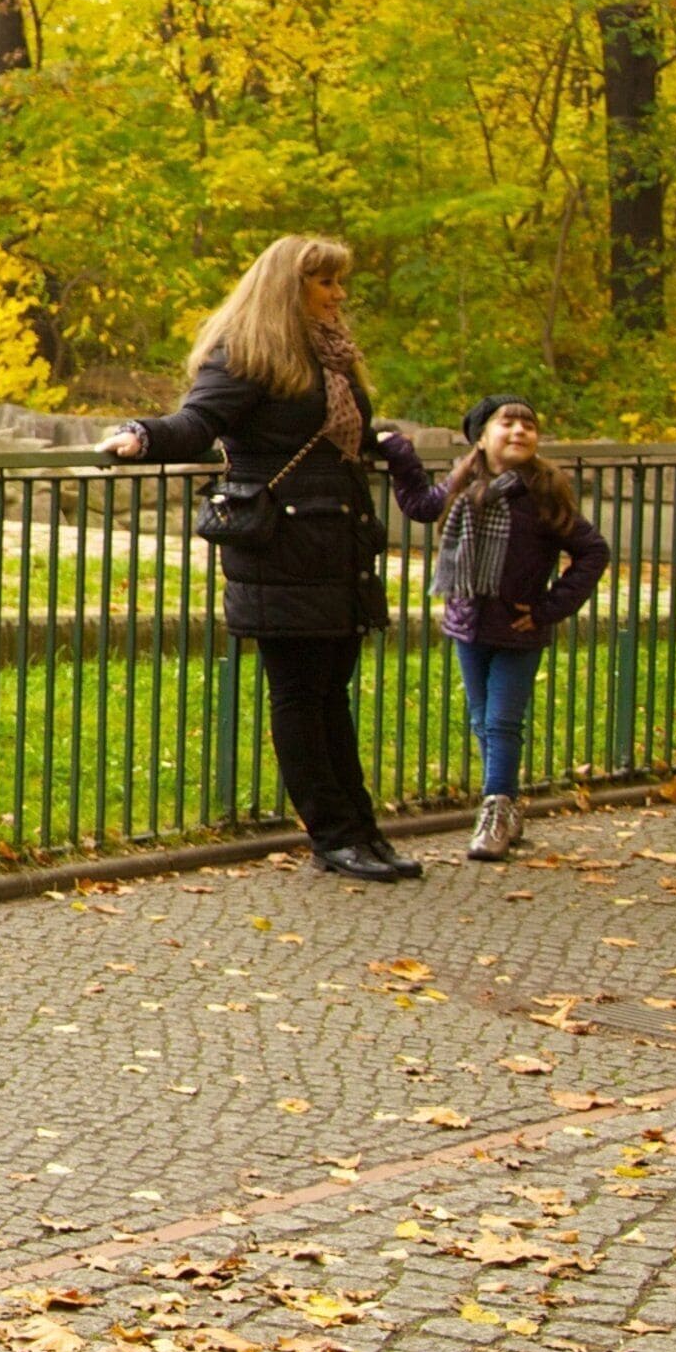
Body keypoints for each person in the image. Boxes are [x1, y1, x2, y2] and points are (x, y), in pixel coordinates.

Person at [99, 235, 435, 882]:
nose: (339, 295)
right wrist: (141, 435)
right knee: (300, 695)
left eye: (339, 283)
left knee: (329, 693)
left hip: (336, 547)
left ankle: (363, 831)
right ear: (291, 288)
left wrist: (386, 443)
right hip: (280, 548)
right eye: (326, 284)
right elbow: (196, 424)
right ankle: (335, 835)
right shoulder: (247, 357)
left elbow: (345, 435)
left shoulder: (330, 360)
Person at [393, 395, 608, 861]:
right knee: (480, 718)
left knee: (501, 721)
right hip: (467, 624)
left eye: (528, 426)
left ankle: (495, 811)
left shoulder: (544, 491)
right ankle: (506, 807)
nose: (519, 432)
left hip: (518, 626)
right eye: (507, 424)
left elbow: (592, 550)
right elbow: (419, 504)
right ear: (482, 436)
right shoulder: (461, 483)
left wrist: (551, 607)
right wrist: (400, 456)